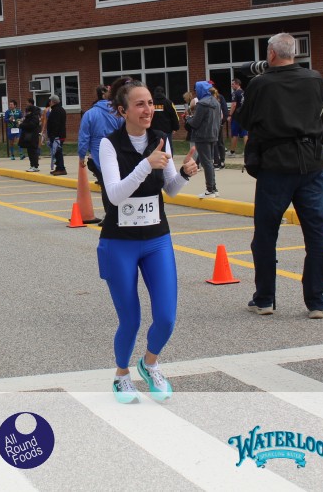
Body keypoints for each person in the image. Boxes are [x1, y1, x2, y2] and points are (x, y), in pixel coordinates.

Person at [97, 79, 199, 403]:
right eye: (140, 104)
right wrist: (145, 165)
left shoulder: (161, 139)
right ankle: (121, 375)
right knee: (130, 319)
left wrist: (184, 174)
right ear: (122, 110)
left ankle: (150, 362)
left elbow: (170, 189)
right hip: (119, 242)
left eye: (150, 103)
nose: (148, 110)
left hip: (156, 239)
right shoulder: (109, 144)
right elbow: (115, 195)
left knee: (166, 317)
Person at [234, 33, 323, 319]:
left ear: (272, 54)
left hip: (275, 164)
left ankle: (265, 298)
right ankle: (316, 301)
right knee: (315, 233)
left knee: (265, 234)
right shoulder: (315, 80)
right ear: (294, 53)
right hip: (311, 162)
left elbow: (244, 119)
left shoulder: (261, 84)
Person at [78, 83, 122, 181]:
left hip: (97, 154)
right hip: (115, 153)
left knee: (104, 182)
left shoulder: (89, 114)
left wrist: (82, 156)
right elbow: (124, 132)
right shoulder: (118, 112)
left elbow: (84, 137)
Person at [186, 81, 221, 197]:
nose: (196, 92)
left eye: (196, 90)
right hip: (213, 135)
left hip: (202, 136)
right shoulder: (216, 102)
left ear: (201, 90)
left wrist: (188, 119)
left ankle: (210, 189)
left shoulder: (201, 104)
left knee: (206, 163)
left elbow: (195, 123)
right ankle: (214, 188)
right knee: (209, 162)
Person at [46, 94, 67, 175]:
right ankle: (58, 168)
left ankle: (61, 168)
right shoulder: (59, 109)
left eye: (50, 101)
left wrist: (53, 136)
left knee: (58, 152)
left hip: (57, 136)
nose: (49, 102)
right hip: (59, 135)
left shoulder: (56, 111)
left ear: (53, 102)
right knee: (56, 152)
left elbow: (55, 124)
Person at [19, 105, 42, 171]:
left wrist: (21, 125)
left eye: (27, 112)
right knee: (30, 151)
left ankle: (35, 166)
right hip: (29, 136)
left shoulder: (34, 117)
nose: (26, 113)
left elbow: (30, 125)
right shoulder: (30, 117)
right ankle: (32, 165)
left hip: (32, 136)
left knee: (33, 151)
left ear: (30, 111)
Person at [228, 78, 248, 157]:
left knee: (234, 134)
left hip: (236, 116)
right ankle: (246, 151)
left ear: (237, 84)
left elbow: (234, 105)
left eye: (233, 84)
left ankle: (232, 152)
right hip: (244, 116)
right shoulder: (244, 92)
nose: (231, 85)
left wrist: (230, 115)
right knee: (245, 134)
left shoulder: (235, 93)